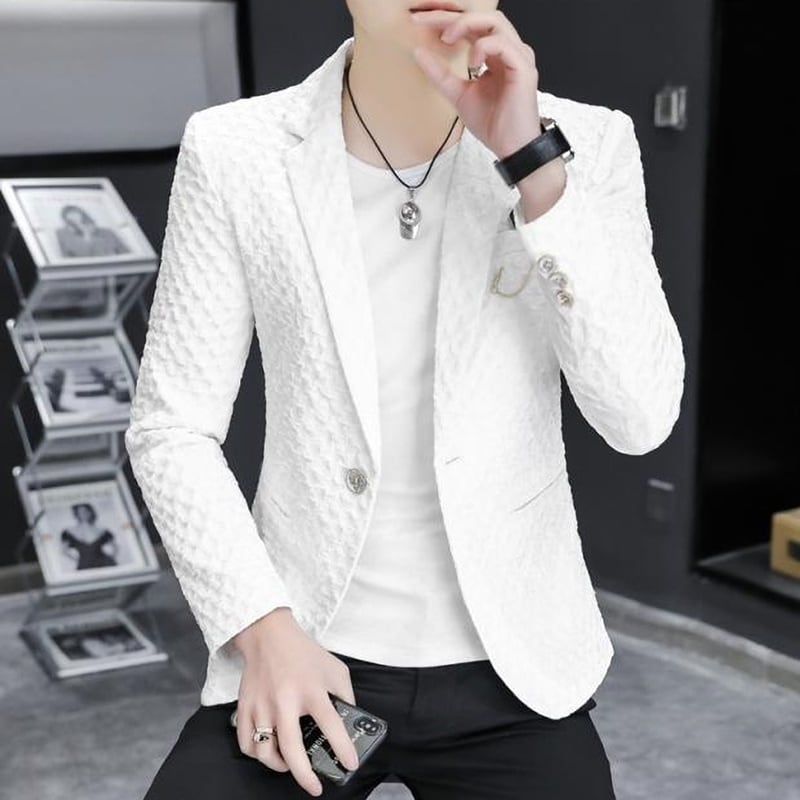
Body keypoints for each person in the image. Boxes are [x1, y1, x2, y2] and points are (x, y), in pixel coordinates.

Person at [125, 2, 685, 798]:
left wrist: (533, 165)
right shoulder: (235, 148)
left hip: (513, 673)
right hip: (307, 652)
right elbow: (171, 428)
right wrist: (265, 631)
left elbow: (640, 418)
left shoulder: (586, 142)